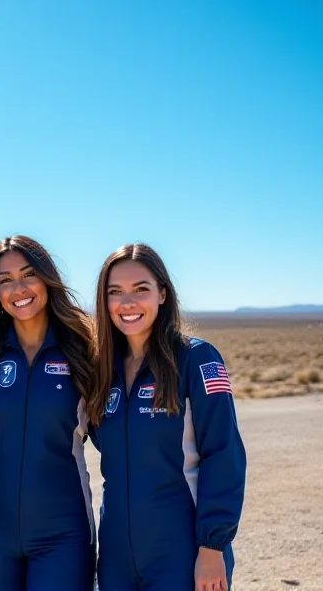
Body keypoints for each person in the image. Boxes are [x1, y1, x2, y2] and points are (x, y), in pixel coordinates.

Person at [89, 242, 247, 591]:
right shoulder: (102, 371)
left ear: (162, 293)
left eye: (140, 289)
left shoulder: (197, 359)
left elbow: (223, 454)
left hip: (181, 551)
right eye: (115, 292)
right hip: (116, 554)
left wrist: (212, 546)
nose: (127, 302)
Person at [0, 235, 98, 591]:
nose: (18, 288)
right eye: (5, 280)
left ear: (47, 279)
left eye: (28, 275)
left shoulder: (84, 351)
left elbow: (114, 432)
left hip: (63, 530)